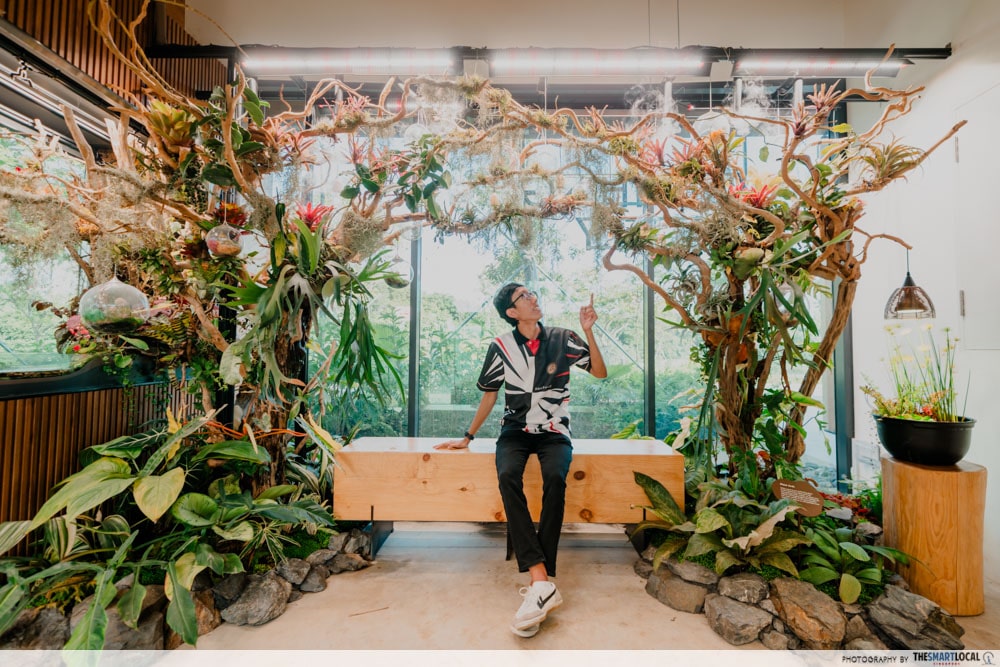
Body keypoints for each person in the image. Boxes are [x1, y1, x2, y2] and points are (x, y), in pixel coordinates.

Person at [435, 283, 607, 637]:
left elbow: (600, 372)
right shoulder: (500, 347)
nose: (533, 298)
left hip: (555, 430)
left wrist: (589, 331)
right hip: (514, 430)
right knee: (508, 475)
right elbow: (489, 394)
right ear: (512, 312)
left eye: (532, 293)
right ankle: (541, 581)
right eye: (524, 297)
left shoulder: (565, 337)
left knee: (556, 478)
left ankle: (539, 584)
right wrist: (467, 437)